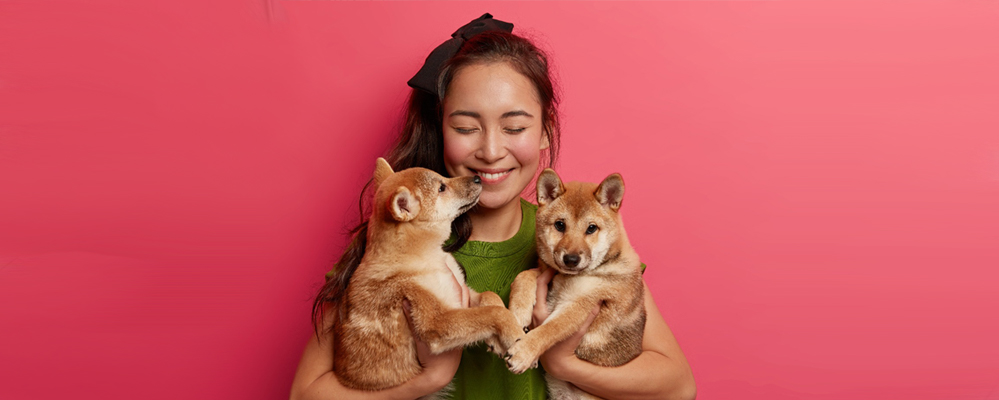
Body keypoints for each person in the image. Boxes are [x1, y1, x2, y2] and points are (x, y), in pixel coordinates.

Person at [290, 14, 696, 400]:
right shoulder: (396, 240)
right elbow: (305, 393)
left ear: (544, 131)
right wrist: (432, 377)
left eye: (514, 127)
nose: (490, 151)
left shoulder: (580, 245)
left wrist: (563, 362)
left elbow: (677, 385)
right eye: (466, 128)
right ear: (441, 130)